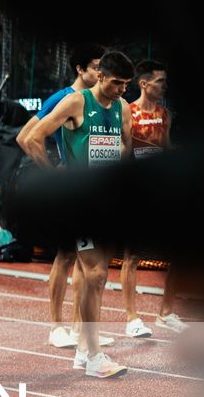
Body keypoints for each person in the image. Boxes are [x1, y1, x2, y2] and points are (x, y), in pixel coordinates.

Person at [17, 49, 137, 378]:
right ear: (99, 76)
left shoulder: (124, 108)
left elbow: (126, 148)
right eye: (116, 83)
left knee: (91, 277)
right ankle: (95, 356)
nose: (122, 90)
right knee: (96, 274)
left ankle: (84, 352)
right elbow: (31, 138)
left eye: (127, 84)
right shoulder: (76, 103)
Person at [37, 47, 104, 350]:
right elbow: (29, 134)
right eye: (96, 67)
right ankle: (55, 326)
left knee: (85, 263)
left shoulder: (103, 101)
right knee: (64, 257)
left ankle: (80, 328)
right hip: (70, 190)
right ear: (80, 68)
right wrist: (53, 172)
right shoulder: (63, 98)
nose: (101, 73)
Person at [119, 58, 185, 337]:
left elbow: (167, 151)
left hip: (162, 191)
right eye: (159, 81)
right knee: (131, 256)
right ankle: (132, 318)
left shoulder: (166, 114)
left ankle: (166, 312)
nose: (164, 86)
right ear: (144, 83)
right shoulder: (128, 112)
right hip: (136, 192)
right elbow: (123, 153)